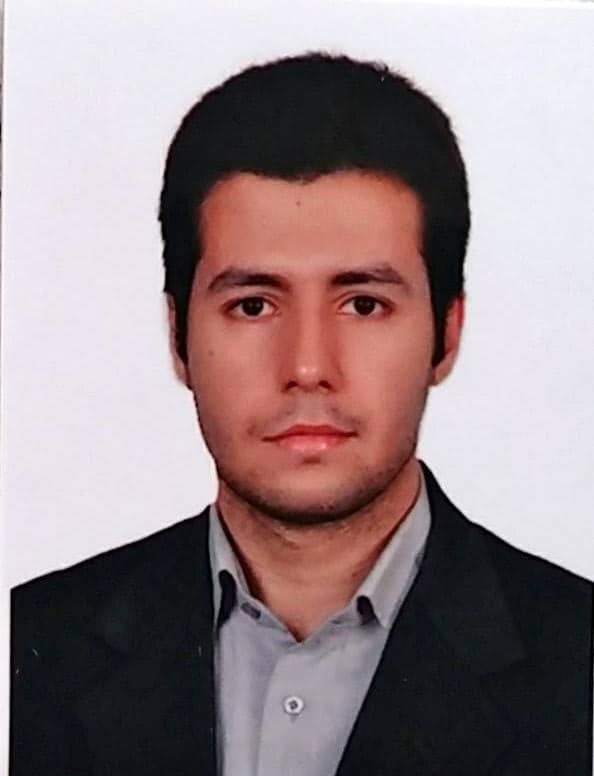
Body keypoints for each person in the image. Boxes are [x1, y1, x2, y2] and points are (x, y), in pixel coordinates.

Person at [10, 52, 592, 776]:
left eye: (363, 304)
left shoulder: (578, 663)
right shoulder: (28, 648)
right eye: (253, 305)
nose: (309, 366)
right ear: (177, 336)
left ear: (447, 333)